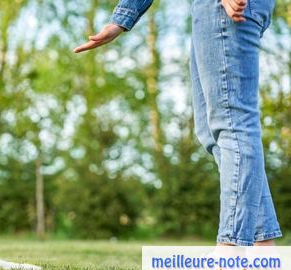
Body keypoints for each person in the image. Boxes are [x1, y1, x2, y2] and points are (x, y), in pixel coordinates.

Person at [74, 0, 281, 246]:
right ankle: (264, 252)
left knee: (232, 125)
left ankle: (231, 256)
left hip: (224, 7)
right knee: (212, 132)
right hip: (209, 8)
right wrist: (122, 18)